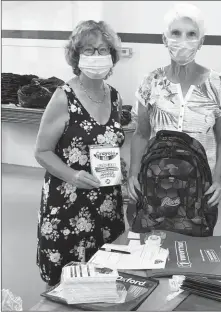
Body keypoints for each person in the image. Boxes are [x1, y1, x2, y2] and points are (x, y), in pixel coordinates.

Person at [34, 20, 125, 286]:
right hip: (67, 204)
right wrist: (72, 175)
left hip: (106, 203)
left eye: (102, 49)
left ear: (112, 55)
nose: (96, 56)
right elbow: (41, 151)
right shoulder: (63, 97)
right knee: (64, 283)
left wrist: (121, 167)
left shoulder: (115, 97)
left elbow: (109, 144)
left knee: (103, 279)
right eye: (88, 50)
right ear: (76, 56)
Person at [128, 3, 221, 210]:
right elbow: (141, 134)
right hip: (156, 180)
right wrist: (133, 173)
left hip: (201, 183)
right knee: (153, 239)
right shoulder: (151, 82)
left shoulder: (217, 83)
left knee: (196, 240)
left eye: (191, 34)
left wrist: (219, 178)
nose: (183, 40)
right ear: (164, 39)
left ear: (201, 42)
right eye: (176, 33)